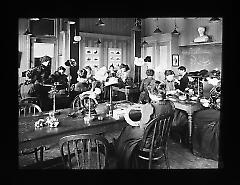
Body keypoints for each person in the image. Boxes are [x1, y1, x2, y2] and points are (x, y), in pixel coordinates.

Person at [113, 81, 174, 168]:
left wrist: (140, 116)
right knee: (128, 132)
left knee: (127, 130)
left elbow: (142, 126)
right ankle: (123, 150)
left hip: (148, 141)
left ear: (150, 93)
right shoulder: (170, 104)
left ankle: (121, 156)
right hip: (161, 138)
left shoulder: (149, 107)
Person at [192, 69, 221, 161]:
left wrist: (209, 104)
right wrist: (208, 101)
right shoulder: (216, 86)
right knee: (199, 114)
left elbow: (219, 104)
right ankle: (201, 145)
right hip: (215, 109)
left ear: (215, 78)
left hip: (219, 112)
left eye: (209, 79)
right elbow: (215, 99)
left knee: (197, 116)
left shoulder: (219, 86)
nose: (207, 81)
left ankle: (201, 148)